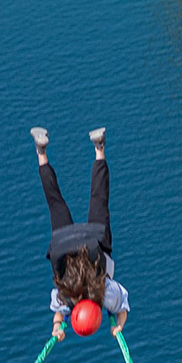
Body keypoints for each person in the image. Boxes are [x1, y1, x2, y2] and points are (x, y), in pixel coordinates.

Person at [32, 125, 129, 340]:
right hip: (63, 243)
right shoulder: (67, 294)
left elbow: (122, 309)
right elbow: (59, 311)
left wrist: (118, 326)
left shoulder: (106, 294)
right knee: (55, 203)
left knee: (99, 199)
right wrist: (57, 327)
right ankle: (41, 152)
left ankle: (99, 147)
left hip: (95, 239)